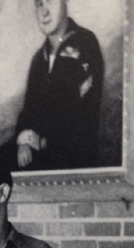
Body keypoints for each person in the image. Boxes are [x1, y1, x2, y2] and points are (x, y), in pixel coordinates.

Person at [16, 0, 104, 171]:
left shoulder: (86, 43)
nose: (44, 12)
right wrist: (23, 140)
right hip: (41, 170)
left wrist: (43, 142)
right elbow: (28, 111)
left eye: (50, 1)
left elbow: (86, 115)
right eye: (39, 4)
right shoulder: (38, 59)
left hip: (76, 168)